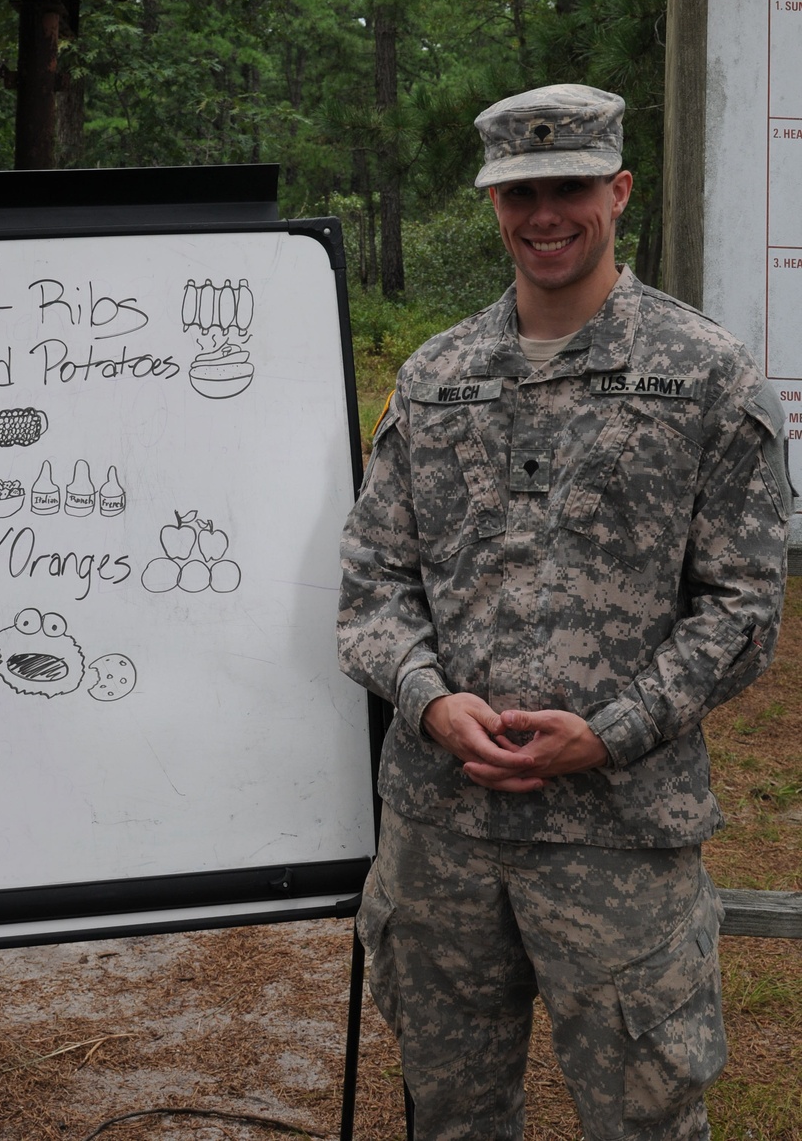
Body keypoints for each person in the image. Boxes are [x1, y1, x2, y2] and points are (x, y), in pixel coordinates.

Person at [337, 84, 791, 1141]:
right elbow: (371, 586)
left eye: (570, 186)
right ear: (492, 203)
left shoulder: (704, 376)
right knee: (448, 1117)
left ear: (618, 190)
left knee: (646, 1119)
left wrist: (611, 733)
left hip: (618, 840)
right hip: (440, 833)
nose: (545, 213)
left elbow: (741, 609)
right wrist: (429, 700)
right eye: (520, 191)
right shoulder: (435, 374)